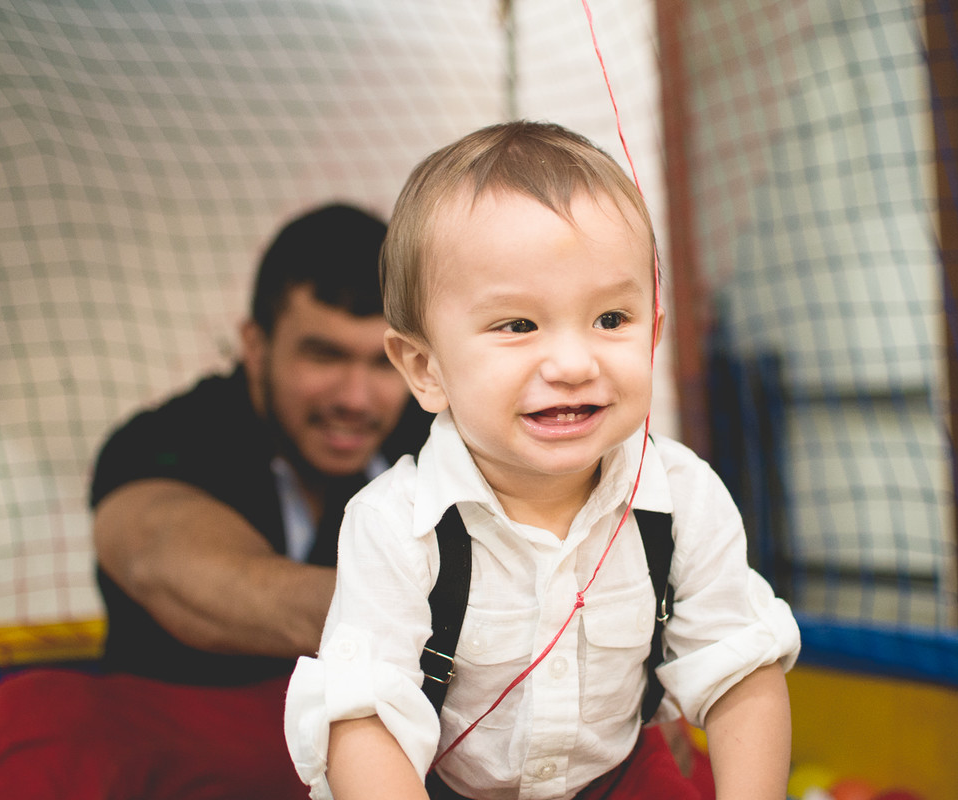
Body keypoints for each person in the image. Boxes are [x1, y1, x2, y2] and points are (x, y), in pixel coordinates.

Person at [283, 122, 801, 800]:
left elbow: (741, 673)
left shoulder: (683, 496)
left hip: (619, 780)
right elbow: (367, 722)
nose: (573, 364)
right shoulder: (393, 525)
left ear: (655, 335)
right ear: (425, 368)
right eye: (518, 325)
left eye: (611, 319)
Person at [0, 203, 430, 799]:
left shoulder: (437, 437)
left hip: (382, 747)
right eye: (324, 356)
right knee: (35, 711)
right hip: (201, 738)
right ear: (255, 346)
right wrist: (431, 611)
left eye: (382, 361)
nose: (356, 399)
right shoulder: (170, 440)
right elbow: (170, 560)